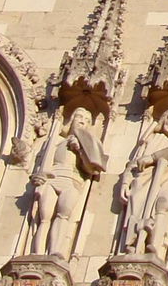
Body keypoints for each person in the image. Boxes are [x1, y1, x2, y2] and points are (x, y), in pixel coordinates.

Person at [26, 106, 107, 257]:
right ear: (71, 120)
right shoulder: (56, 141)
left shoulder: (88, 143)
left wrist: (80, 150)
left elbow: (93, 169)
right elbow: (44, 162)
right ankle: (37, 253)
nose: (82, 121)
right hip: (53, 178)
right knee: (44, 218)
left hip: (72, 181)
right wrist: (40, 176)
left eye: (86, 120)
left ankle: (55, 251)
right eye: (79, 117)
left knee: (63, 215)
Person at [115, 107, 168, 256]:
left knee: (163, 203)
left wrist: (152, 157)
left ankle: (154, 243)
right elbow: (133, 164)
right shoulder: (151, 138)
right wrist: (125, 183)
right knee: (136, 209)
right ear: (164, 120)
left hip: (167, 175)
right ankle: (133, 243)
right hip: (142, 179)